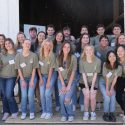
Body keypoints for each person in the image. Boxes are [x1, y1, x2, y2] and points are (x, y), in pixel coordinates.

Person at [15, 39, 39, 120]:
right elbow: (18, 69)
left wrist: (32, 80)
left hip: (32, 77)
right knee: (24, 95)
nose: (27, 45)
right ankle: (24, 112)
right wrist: (22, 80)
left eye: (29, 44)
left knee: (30, 95)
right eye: (26, 43)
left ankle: (32, 111)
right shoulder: (18, 55)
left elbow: (34, 69)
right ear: (22, 44)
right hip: (23, 77)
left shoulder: (34, 55)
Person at [79, 45, 101, 120]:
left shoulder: (97, 61)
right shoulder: (81, 61)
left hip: (94, 82)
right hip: (83, 81)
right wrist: (87, 88)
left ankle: (92, 112)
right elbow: (83, 75)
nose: (88, 51)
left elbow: (95, 75)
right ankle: (86, 112)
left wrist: (91, 87)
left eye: (90, 50)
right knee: (87, 95)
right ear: (84, 51)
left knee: (93, 96)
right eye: (87, 50)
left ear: (93, 51)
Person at [57, 41, 77, 122]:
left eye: (68, 47)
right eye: (65, 47)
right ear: (62, 48)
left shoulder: (73, 57)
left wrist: (68, 85)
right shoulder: (58, 58)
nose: (66, 48)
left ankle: (70, 114)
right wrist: (63, 84)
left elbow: (73, 72)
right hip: (61, 81)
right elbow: (59, 72)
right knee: (62, 98)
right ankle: (64, 114)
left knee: (67, 98)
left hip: (71, 81)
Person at [38, 39, 57, 119]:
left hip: (51, 75)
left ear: (51, 47)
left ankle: (49, 112)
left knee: (47, 93)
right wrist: (40, 79)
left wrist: (48, 81)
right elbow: (37, 68)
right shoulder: (39, 54)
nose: (47, 47)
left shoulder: (52, 55)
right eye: (45, 45)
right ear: (43, 45)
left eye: (49, 45)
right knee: (42, 94)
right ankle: (44, 111)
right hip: (42, 75)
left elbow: (51, 69)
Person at [0, 38, 18, 121]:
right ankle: (6, 112)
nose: (8, 45)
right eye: (6, 44)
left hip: (12, 76)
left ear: (12, 44)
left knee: (8, 95)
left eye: (9, 43)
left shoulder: (17, 54)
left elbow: (19, 68)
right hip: (2, 77)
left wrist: (18, 77)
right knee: (4, 96)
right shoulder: (2, 54)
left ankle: (14, 111)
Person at [102, 50, 122, 122]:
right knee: (107, 97)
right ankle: (105, 113)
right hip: (103, 83)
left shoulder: (119, 67)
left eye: (113, 56)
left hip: (112, 84)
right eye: (110, 56)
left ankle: (112, 113)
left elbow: (115, 78)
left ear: (116, 57)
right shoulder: (105, 64)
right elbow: (106, 78)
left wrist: (111, 89)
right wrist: (107, 89)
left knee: (113, 97)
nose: (112, 57)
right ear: (107, 57)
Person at [116, 45, 125, 121]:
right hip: (119, 80)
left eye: (121, 51)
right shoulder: (116, 60)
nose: (120, 52)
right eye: (118, 51)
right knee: (118, 97)